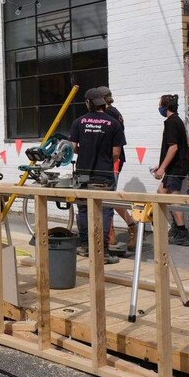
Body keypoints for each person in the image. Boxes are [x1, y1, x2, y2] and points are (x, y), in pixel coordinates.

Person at [69, 88, 125, 265]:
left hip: (83, 173)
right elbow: (116, 152)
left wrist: (84, 152)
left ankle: (85, 246)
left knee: (84, 209)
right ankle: (104, 251)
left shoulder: (79, 122)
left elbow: (72, 147)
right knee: (105, 210)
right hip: (104, 174)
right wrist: (105, 159)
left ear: (89, 103)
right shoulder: (113, 123)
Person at [96, 86, 138, 251]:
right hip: (109, 159)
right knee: (108, 196)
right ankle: (112, 231)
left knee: (109, 197)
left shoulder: (110, 114)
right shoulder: (112, 112)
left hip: (113, 159)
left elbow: (117, 141)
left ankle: (128, 226)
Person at [152, 94, 189, 246]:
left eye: (160, 104)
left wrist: (162, 168)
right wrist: (161, 164)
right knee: (162, 193)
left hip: (177, 167)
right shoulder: (175, 121)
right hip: (175, 166)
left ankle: (182, 232)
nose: (159, 108)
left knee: (174, 198)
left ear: (166, 106)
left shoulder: (172, 123)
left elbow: (173, 147)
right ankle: (176, 227)